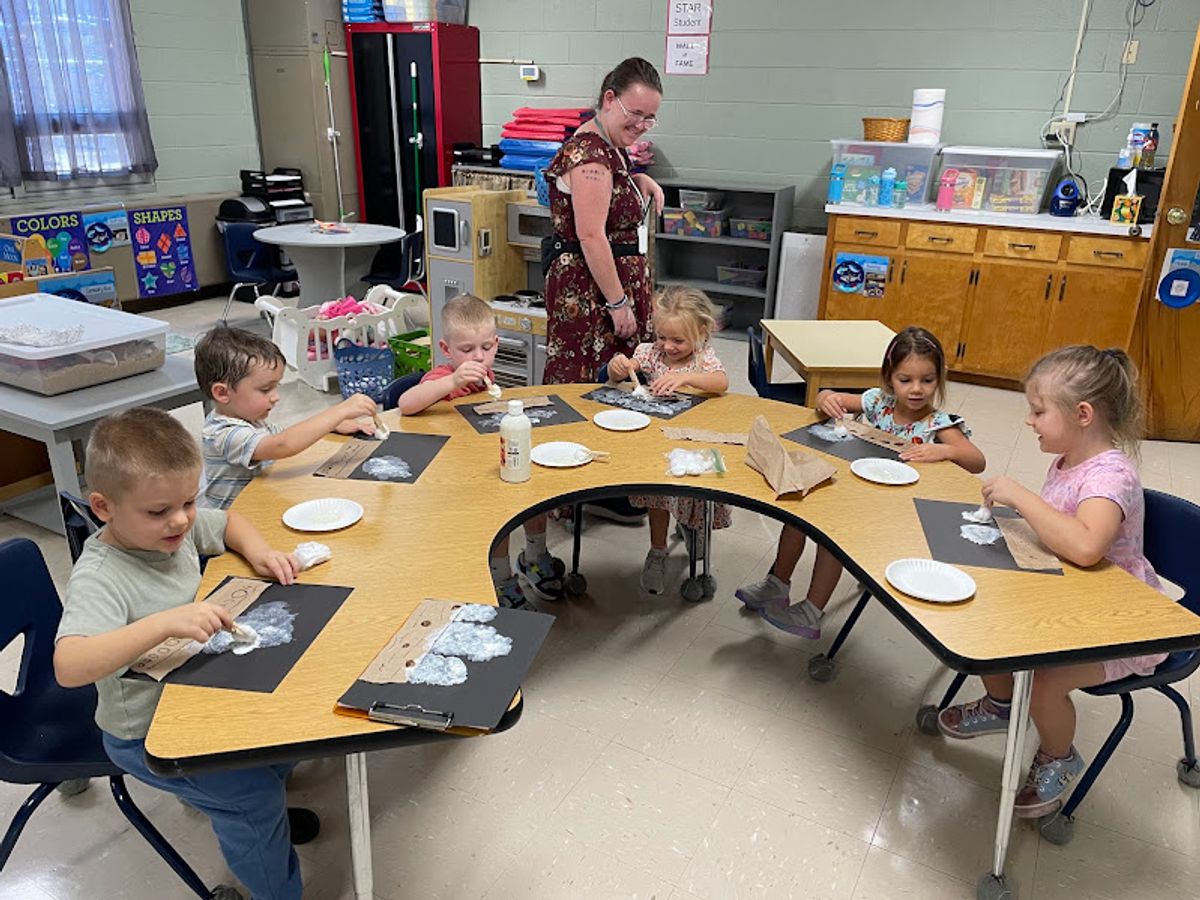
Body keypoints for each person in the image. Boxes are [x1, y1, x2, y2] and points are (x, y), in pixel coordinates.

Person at [53, 408, 310, 900]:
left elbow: (229, 520)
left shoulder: (172, 523)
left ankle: (255, 808)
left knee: (281, 739)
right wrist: (160, 625)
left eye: (189, 501)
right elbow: (70, 666)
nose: (181, 520)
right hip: (146, 734)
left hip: (196, 695)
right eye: (159, 512)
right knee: (253, 799)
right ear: (104, 508)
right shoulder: (102, 575)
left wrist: (258, 553)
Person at [937, 346, 1164, 818]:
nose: (1029, 421)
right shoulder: (1066, 460)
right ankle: (1001, 705)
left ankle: (1058, 757)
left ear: (1083, 414)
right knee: (987, 622)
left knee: (1043, 683)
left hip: (1122, 626)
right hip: (1069, 599)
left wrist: (1018, 497)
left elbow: (1085, 546)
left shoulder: (1111, 475)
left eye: (1038, 411)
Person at [738, 326, 986, 636]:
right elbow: (828, 397)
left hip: (897, 511)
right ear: (888, 377)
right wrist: (825, 399)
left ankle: (811, 610)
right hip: (858, 494)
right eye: (905, 380)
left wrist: (946, 448)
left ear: (939, 379)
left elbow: (977, 461)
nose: (916, 389)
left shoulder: (937, 423)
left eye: (928, 380)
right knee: (797, 516)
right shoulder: (878, 403)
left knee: (832, 539)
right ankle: (777, 583)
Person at [542, 57, 666, 525]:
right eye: (634, 113)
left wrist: (637, 179)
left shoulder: (609, 148)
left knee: (616, 377)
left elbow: (608, 198)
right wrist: (618, 303)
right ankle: (576, 487)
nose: (640, 124)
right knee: (587, 381)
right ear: (609, 99)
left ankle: (604, 479)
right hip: (592, 291)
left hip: (607, 283)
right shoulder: (591, 154)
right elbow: (592, 235)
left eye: (650, 117)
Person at [398, 294, 563, 609]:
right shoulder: (443, 376)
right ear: (447, 350)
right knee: (496, 515)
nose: (479, 358)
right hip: (454, 473)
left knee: (534, 489)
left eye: (487, 348)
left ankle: (534, 555)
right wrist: (451, 382)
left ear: (497, 343)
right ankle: (500, 579)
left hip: (489, 457)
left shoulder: (487, 376)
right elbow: (406, 404)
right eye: (467, 350)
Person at [607, 286, 730, 594]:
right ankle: (658, 549)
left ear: (702, 332)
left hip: (693, 446)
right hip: (659, 446)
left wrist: (686, 378)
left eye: (678, 340)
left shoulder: (703, 359)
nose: (668, 346)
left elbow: (721, 382)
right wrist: (621, 366)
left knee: (693, 499)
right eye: (662, 337)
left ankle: (694, 533)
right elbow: (619, 374)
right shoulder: (650, 353)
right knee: (657, 498)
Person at [194, 325, 379, 510]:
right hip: (232, 524)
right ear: (222, 393)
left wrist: (332, 425)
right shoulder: (222, 432)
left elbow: (286, 434)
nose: (276, 397)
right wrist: (338, 411)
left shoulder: (250, 418)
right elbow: (282, 445)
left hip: (260, 504)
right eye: (265, 389)